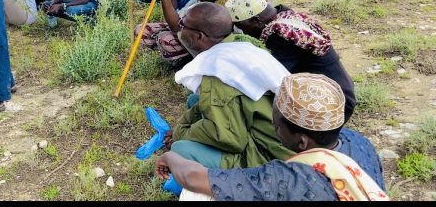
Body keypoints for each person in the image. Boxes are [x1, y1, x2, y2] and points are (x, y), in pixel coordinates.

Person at [154, 73, 388, 201]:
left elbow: (194, 178)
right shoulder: (359, 143)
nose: (274, 130)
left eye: (277, 127)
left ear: (302, 142)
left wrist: (170, 157)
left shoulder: (286, 179)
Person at [165, 2, 293, 171]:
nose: (180, 28)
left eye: (183, 25)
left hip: (270, 155)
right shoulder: (241, 43)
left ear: (199, 36)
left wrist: (181, 135)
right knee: (195, 100)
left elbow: (231, 139)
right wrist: (182, 126)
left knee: (180, 150)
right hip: (276, 130)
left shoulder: (218, 72)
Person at [225, 0, 356, 122]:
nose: (242, 32)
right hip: (339, 91)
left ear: (256, 20)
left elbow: (270, 78)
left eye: (241, 26)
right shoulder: (284, 14)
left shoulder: (279, 35)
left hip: (334, 106)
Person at [136, 0, 268, 65]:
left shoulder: (232, 4)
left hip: (219, 48)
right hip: (194, 33)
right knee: (142, 30)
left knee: (167, 39)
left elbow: (178, 29)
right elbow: (177, 24)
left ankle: (197, 62)